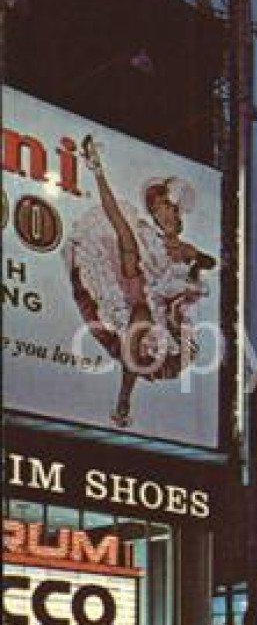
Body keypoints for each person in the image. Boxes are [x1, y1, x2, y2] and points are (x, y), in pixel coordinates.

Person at [69, 135, 216, 429]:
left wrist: (196, 261)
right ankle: (124, 398)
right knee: (125, 240)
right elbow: (116, 220)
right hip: (139, 292)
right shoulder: (147, 237)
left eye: (167, 207)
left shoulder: (183, 248)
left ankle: (124, 399)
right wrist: (97, 171)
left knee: (144, 335)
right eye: (158, 207)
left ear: (175, 211)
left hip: (167, 309)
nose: (163, 213)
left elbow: (210, 264)